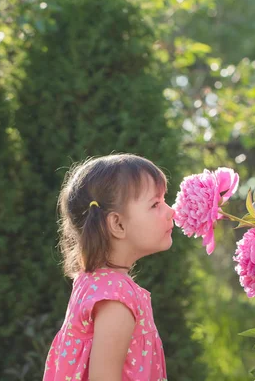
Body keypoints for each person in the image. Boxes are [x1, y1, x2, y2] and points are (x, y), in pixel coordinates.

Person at [42, 154, 174, 381]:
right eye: (155, 204)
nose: (170, 211)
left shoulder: (92, 282)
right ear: (117, 224)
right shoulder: (116, 299)